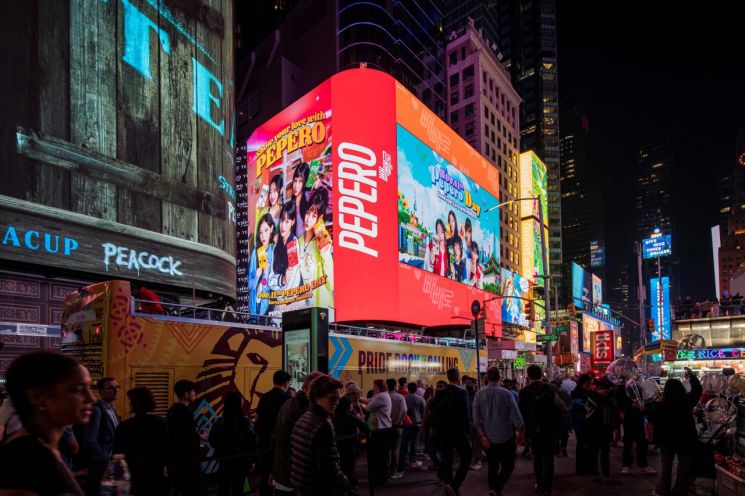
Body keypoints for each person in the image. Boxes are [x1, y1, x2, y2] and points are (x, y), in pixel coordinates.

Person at [0, 351, 95, 495]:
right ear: (37, 397)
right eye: (77, 390)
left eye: (90, 388)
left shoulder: (44, 449)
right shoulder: (24, 459)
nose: (91, 398)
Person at [290, 374, 349, 496]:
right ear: (317, 397)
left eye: (338, 399)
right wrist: (343, 483)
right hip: (318, 488)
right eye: (332, 399)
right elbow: (328, 466)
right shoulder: (322, 425)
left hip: (303, 486)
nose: (337, 403)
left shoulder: (305, 417)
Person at [648, 367, 702, 496]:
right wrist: (693, 376)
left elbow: (651, 420)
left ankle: (662, 490)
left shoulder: (660, 404)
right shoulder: (687, 402)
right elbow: (698, 391)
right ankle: (680, 490)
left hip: (666, 440)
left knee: (666, 467)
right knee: (684, 467)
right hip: (685, 439)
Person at [473, 367, 524, 496]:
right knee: (508, 466)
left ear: (486, 378)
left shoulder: (479, 394)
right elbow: (516, 415)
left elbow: (476, 419)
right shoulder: (506, 393)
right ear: (499, 378)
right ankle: (497, 489)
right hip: (506, 436)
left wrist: (482, 436)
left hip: (488, 437)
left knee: (492, 466)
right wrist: (520, 430)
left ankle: (492, 490)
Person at [273, 371, 325, 494]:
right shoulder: (304, 409)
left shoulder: (288, 403)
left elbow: (276, 438)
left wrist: (274, 470)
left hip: (282, 471)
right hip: (295, 475)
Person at [518, 365, 566, 496]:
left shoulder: (523, 392)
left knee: (537, 457)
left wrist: (523, 430)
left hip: (533, 430)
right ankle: (547, 487)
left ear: (528, 376)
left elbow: (521, 414)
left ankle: (539, 483)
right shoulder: (552, 389)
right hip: (550, 429)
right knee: (548, 458)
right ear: (541, 375)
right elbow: (562, 407)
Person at [114, 387, 169, 495]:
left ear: (133, 404)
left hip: (133, 475)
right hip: (156, 474)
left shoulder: (124, 426)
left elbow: (118, 454)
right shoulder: (162, 423)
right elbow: (168, 449)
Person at [430, 368, 472, 496]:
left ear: (448, 377)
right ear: (458, 377)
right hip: (459, 431)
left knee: (447, 459)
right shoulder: (462, 393)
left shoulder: (440, 392)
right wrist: (467, 432)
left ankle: (449, 485)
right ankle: (455, 484)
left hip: (444, 431)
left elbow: (432, 410)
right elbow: (466, 415)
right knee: (466, 457)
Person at [210, 391, 257, 496]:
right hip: (241, 462)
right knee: (238, 489)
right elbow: (252, 442)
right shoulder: (246, 422)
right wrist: (252, 460)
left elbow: (212, 441)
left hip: (224, 461)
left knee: (223, 488)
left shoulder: (220, 421)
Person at [82, 376, 121, 496]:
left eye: (117, 387)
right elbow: (90, 440)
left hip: (110, 463)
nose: (115, 390)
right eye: (110, 388)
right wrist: (103, 460)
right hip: (101, 465)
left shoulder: (112, 408)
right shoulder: (97, 410)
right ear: (100, 391)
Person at [256, 370, 292, 496]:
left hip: (264, 441)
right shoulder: (287, 400)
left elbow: (257, 418)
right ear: (286, 383)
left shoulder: (264, 397)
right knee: (279, 475)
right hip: (279, 443)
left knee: (266, 472)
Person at [297, 188, 333, 308]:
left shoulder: (322, 244)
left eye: (314, 216)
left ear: (320, 218)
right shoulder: (298, 242)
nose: (308, 219)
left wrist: (325, 253)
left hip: (323, 310)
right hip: (304, 309)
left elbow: (331, 285)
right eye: (308, 213)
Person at [167, 379, 202, 496]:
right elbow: (189, 437)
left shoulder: (172, 410)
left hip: (175, 459)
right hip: (187, 460)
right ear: (186, 394)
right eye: (193, 391)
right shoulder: (185, 412)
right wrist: (201, 437)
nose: (194, 394)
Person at [617, 373, 655, 475]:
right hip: (629, 418)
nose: (637, 376)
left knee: (642, 442)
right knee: (628, 442)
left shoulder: (639, 387)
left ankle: (642, 465)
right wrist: (631, 405)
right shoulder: (622, 388)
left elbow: (646, 401)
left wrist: (645, 407)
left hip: (640, 417)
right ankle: (626, 465)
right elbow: (619, 403)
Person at [333, 395, 370, 496]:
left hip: (339, 446)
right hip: (351, 446)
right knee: (350, 469)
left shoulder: (334, 416)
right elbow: (366, 426)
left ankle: (345, 489)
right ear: (348, 405)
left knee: (343, 468)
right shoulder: (350, 417)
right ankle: (352, 489)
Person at [584, 378, 617, 484]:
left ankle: (606, 475)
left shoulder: (604, 398)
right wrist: (608, 394)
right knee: (593, 452)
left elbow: (613, 406)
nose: (605, 392)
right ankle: (595, 474)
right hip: (592, 429)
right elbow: (600, 403)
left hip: (604, 428)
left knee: (605, 453)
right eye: (604, 390)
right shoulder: (591, 396)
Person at [248, 213, 276, 317]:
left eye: (266, 230)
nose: (263, 236)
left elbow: (273, 285)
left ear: (272, 229)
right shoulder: (256, 251)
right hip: (253, 305)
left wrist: (265, 274)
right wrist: (256, 276)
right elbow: (249, 285)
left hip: (268, 306)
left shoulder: (274, 251)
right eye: (260, 232)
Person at [366, 379, 393, 485]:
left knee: (379, 455)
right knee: (381, 455)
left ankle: (380, 478)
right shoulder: (382, 395)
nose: (373, 388)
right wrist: (358, 398)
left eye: (374, 386)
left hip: (381, 431)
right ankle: (381, 476)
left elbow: (368, 407)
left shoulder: (381, 396)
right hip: (383, 430)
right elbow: (368, 400)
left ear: (379, 387)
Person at [570, 374, 593, 475]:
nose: (590, 386)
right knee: (581, 444)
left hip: (587, 421)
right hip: (580, 421)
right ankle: (581, 467)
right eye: (588, 384)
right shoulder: (576, 393)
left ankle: (587, 466)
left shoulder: (590, 392)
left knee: (588, 445)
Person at [400, 382, 426, 471]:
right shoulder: (420, 399)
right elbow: (424, 411)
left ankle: (404, 460)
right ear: (416, 389)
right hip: (417, 423)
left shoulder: (404, 398)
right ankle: (413, 460)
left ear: (408, 389)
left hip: (406, 424)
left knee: (405, 443)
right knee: (414, 443)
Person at [387, 378, 408, 479]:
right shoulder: (399, 397)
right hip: (397, 425)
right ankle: (393, 471)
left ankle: (386, 469)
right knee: (396, 449)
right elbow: (404, 410)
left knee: (387, 448)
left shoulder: (384, 396)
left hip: (385, 426)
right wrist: (398, 421)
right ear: (395, 386)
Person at [551, 379, 571, 457]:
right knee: (564, 434)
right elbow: (569, 404)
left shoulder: (552, 394)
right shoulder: (565, 393)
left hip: (557, 418)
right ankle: (563, 448)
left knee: (557, 434)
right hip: (565, 416)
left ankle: (558, 448)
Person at [291, 162, 311, 238]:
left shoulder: (309, 197)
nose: (296, 185)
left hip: (308, 244)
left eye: (300, 181)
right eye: (295, 181)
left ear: (305, 183)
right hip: (295, 245)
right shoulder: (291, 203)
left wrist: (318, 184)